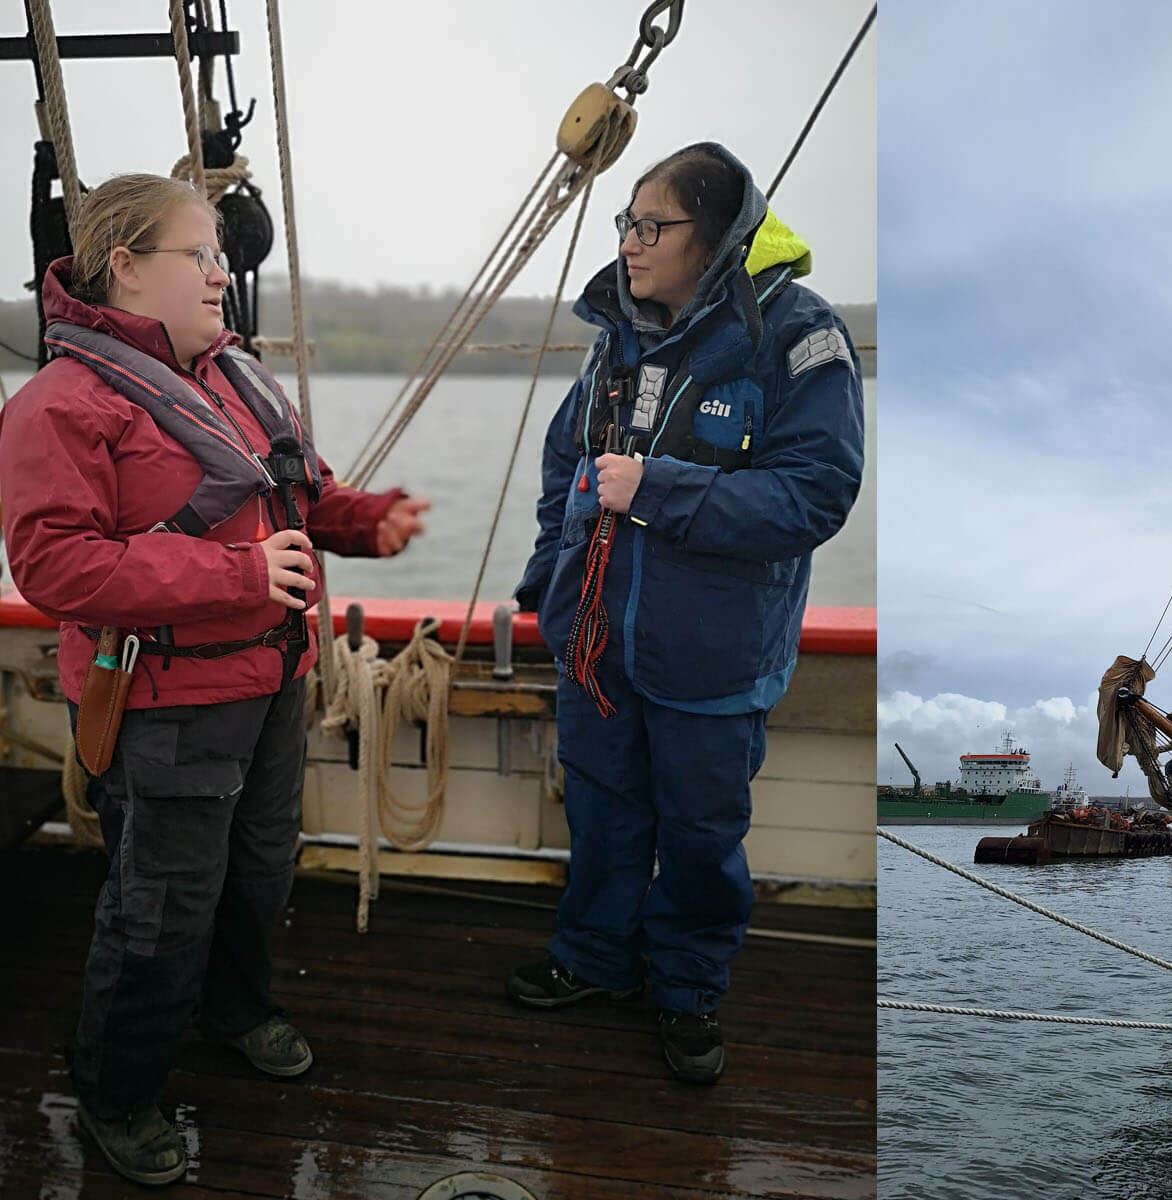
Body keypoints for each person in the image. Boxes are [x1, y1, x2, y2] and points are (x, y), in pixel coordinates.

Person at [0, 174, 428, 1186]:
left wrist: (364, 523)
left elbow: (299, 492)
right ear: (127, 267)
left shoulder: (230, 379)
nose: (221, 271)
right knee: (163, 902)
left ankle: (235, 1007)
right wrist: (235, 573)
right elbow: (55, 567)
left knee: (261, 867)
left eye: (218, 255)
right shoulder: (60, 405)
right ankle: (115, 1088)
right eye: (199, 254)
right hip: (169, 703)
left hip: (271, 682)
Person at [507, 143, 864, 1085]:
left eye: (647, 225)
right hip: (596, 649)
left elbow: (815, 497)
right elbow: (566, 464)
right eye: (624, 223)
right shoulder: (615, 338)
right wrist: (552, 573)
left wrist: (657, 489)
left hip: (713, 662)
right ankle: (593, 960)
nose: (627, 241)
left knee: (702, 838)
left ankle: (688, 989)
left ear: (708, 236)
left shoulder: (798, 338)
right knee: (602, 813)